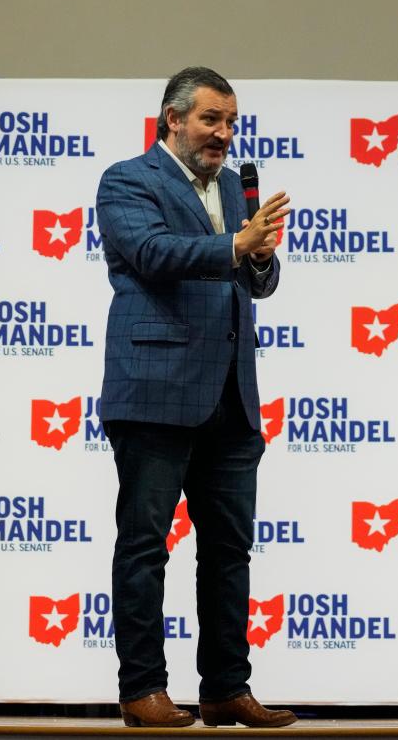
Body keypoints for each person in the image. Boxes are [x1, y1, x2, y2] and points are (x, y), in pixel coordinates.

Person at [96, 66, 297, 730]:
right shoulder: (128, 180)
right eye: (211, 119)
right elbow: (151, 254)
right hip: (155, 392)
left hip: (232, 397)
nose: (223, 134)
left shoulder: (236, 191)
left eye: (231, 122)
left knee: (229, 550)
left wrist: (260, 254)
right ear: (171, 118)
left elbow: (256, 282)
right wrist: (236, 244)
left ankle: (225, 688)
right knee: (146, 544)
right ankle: (142, 690)